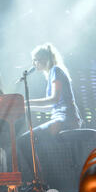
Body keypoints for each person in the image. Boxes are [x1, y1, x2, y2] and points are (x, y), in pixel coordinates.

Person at [17, 43, 82, 184]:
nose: (34, 63)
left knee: (24, 140)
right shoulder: (53, 72)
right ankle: (41, 181)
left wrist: (27, 102)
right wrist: (27, 107)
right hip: (61, 118)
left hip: (65, 119)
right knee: (30, 141)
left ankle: (40, 182)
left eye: (36, 59)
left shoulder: (56, 70)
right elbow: (50, 107)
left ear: (44, 58)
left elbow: (54, 99)